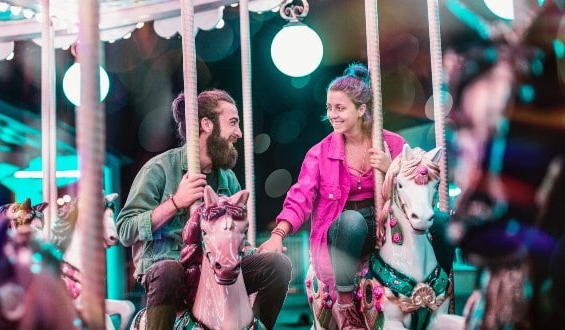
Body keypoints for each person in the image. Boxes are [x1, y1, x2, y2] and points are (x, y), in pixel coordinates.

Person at [258, 62, 421, 329]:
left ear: (361, 109)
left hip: (385, 224)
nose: (332, 114)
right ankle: (344, 301)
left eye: (340, 108)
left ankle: (436, 294)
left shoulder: (392, 144)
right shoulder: (319, 153)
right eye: (329, 108)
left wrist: (391, 168)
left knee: (437, 222)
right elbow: (301, 196)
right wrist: (278, 235)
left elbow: (417, 187)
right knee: (352, 221)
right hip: (342, 230)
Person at [116, 89, 292, 329]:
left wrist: (251, 250)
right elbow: (125, 230)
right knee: (168, 271)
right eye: (233, 123)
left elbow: (232, 234)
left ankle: (256, 325)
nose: (238, 133)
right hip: (172, 269)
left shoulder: (228, 180)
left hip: (216, 270)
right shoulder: (160, 169)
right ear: (207, 124)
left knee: (278, 265)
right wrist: (176, 202)